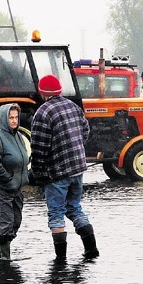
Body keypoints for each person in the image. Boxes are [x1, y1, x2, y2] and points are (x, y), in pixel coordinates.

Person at [30, 74, 99, 260]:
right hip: (77, 168)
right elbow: (85, 131)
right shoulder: (73, 107)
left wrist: (37, 172)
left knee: (56, 213)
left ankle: (61, 259)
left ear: (42, 93)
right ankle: (91, 249)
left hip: (57, 173)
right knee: (75, 207)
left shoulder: (43, 113)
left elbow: (39, 148)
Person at [0, 103, 30, 261]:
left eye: (16, 117)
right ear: (4, 118)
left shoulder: (17, 135)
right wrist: (9, 179)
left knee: (15, 222)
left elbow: (22, 158)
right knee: (5, 224)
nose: (14, 121)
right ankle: (5, 260)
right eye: (11, 117)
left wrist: (26, 175)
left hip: (16, 188)